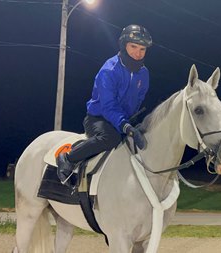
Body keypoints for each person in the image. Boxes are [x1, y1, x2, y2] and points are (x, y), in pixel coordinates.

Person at [56, 24, 152, 184]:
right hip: (99, 119)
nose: (138, 53)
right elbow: (108, 106)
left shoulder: (144, 74)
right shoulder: (109, 70)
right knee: (111, 138)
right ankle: (68, 158)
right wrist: (125, 126)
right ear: (124, 45)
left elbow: (139, 99)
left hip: (124, 120)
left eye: (142, 49)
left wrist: (132, 123)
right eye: (134, 46)